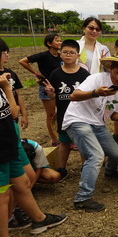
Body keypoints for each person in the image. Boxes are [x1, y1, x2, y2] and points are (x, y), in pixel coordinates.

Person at [63, 50, 118, 212]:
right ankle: (82, 198)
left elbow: (114, 115)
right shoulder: (97, 79)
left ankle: (110, 172)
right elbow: (74, 95)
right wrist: (95, 93)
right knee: (96, 155)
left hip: (97, 124)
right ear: (111, 67)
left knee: (116, 155)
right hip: (78, 119)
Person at [0, 72, 67, 237]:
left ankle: (39, 219)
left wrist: (6, 88)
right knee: (2, 196)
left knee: (22, 182)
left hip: (8, 140)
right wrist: (5, 88)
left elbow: (12, 114)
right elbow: (13, 112)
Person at [44, 39, 90, 180]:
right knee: (64, 142)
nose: (68, 55)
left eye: (72, 52)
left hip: (81, 115)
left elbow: (89, 96)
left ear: (78, 55)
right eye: (65, 52)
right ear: (60, 54)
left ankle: (85, 168)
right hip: (64, 115)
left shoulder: (84, 75)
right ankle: (62, 169)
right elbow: (52, 97)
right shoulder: (56, 74)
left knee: (82, 142)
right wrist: (50, 93)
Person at [19, 33, 62, 146]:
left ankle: (62, 136)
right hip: (46, 88)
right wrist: (36, 73)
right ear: (49, 43)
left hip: (59, 88)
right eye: (57, 40)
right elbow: (23, 61)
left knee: (62, 112)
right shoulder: (43, 55)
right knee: (51, 114)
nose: (60, 42)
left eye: (60, 40)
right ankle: (54, 139)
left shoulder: (60, 56)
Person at [0, 39, 27, 130]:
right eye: (4, 52)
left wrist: (24, 114)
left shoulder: (11, 73)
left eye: (7, 52)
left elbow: (18, 95)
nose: (7, 54)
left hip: (13, 117)